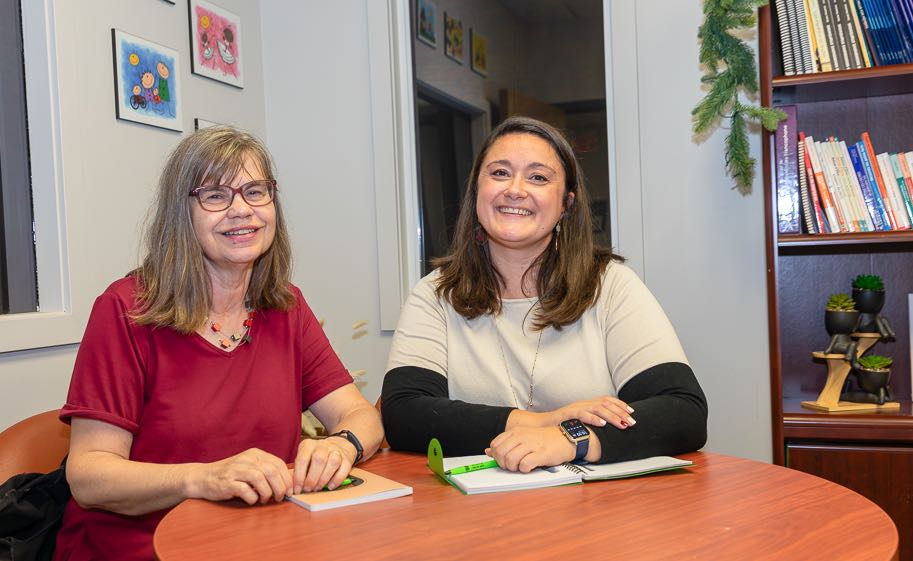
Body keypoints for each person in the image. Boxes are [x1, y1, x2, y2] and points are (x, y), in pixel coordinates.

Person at [54, 127, 383, 561]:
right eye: (215, 195)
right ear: (181, 212)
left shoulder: (285, 306)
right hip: (142, 549)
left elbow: (361, 416)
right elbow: (89, 476)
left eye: (254, 191)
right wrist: (203, 479)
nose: (240, 210)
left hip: (256, 543)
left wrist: (340, 445)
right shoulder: (126, 310)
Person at [382, 116, 707, 472]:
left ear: (566, 204)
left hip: (595, 513)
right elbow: (405, 415)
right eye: (500, 173)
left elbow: (683, 410)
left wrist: (571, 440)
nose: (515, 190)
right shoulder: (435, 293)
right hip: (477, 513)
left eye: (538, 177)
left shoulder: (611, 285)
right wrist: (546, 421)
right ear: (477, 190)